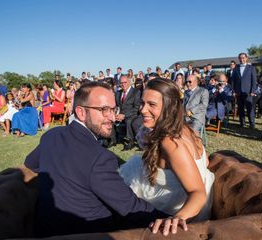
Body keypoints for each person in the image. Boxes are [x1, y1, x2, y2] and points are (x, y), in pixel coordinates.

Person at [23, 82, 173, 237]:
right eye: (104, 110)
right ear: (81, 112)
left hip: (45, 231)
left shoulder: (51, 135)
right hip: (88, 233)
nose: (113, 117)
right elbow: (131, 208)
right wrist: (168, 218)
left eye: (113, 109)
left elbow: (30, 164)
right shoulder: (100, 157)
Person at [120, 78, 214, 230]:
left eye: (152, 104)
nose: (142, 110)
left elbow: (198, 193)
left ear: (169, 107)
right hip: (192, 197)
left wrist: (177, 218)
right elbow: (206, 163)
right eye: (143, 103)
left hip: (174, 206)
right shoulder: (187, 129)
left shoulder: (169, 142)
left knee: (125, 176)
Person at [232, 52, 257, 128]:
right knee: (240, 108)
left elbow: (254, 80)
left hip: (248, 92)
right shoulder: (236, 68)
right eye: (240, 58)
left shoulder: (251, 68)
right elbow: (233, 81)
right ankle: (242, 123)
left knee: (249, 108)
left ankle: (251, 123)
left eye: (243, 58)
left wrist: (252, 91)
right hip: (238, 92)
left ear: (246, 58)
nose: (242, 59)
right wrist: (234, 91)